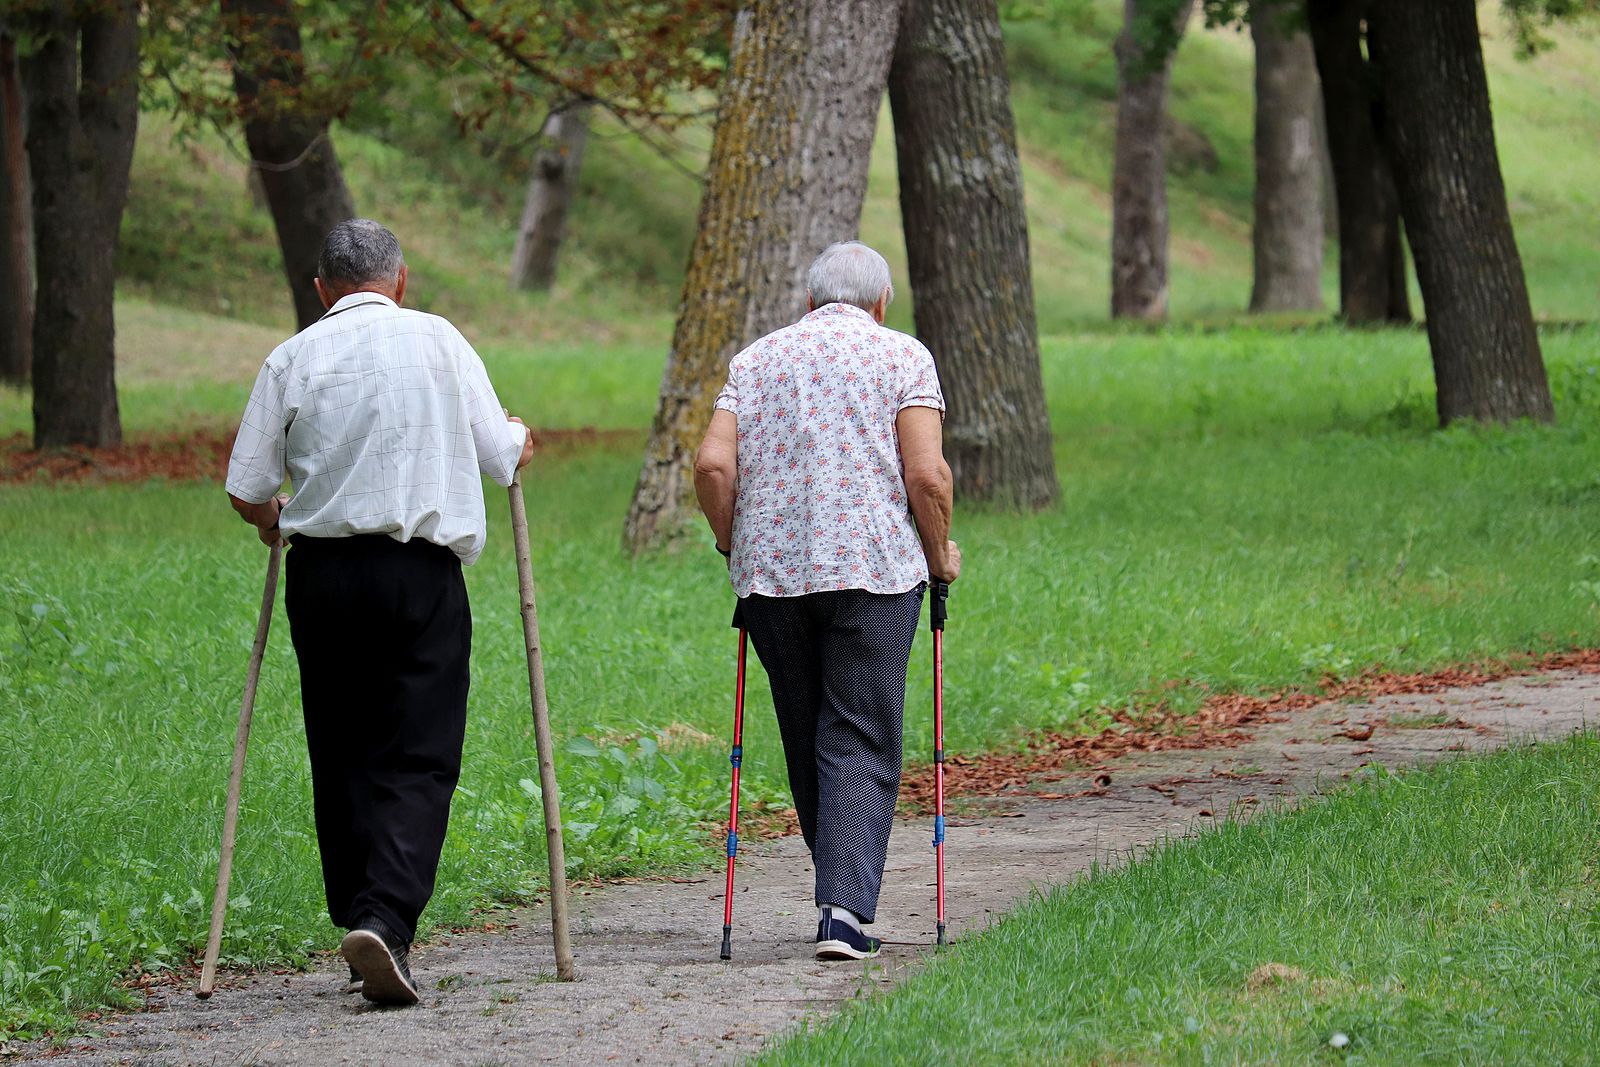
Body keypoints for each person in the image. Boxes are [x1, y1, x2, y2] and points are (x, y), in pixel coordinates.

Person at [225, 219, 534, 1005]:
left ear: (322, 289)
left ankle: (361, 913)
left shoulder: (291, 356)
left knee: (343, 746)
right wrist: (522, 439)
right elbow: (499, 457)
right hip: (419, 572)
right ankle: (384, 920)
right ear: (400, 280)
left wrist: (273, 520)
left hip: (323, 575)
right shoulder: (439, 340)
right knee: (421, 749)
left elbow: (246, 486)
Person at [693, 240, 961, 960]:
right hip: (873, 571)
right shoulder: (902, 355)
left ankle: (836, 888)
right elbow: (928, 474)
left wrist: (731, 545)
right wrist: (940, 556)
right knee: (861, 734)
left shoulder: (754, 362)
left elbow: (713, 464)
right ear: (880, 304)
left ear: (810, 303)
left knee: (810, 730)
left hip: (773, 580)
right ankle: (842, 911)